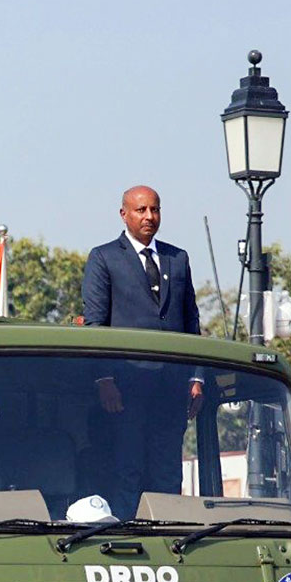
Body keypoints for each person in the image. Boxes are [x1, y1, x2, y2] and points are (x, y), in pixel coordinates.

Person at [81, 185, 204, 518]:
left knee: (168, 471)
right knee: (128, 468)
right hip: (126, 386)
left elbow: (191, 320)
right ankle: (127, 531)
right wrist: (104, 379)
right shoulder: (104, 257)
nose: (149, 216)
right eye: (141, 210)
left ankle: (168, 531)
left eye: (155, 209)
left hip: (171, 387)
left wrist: (197, 378)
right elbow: (95, 325)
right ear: (124, 214)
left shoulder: (178, 258)